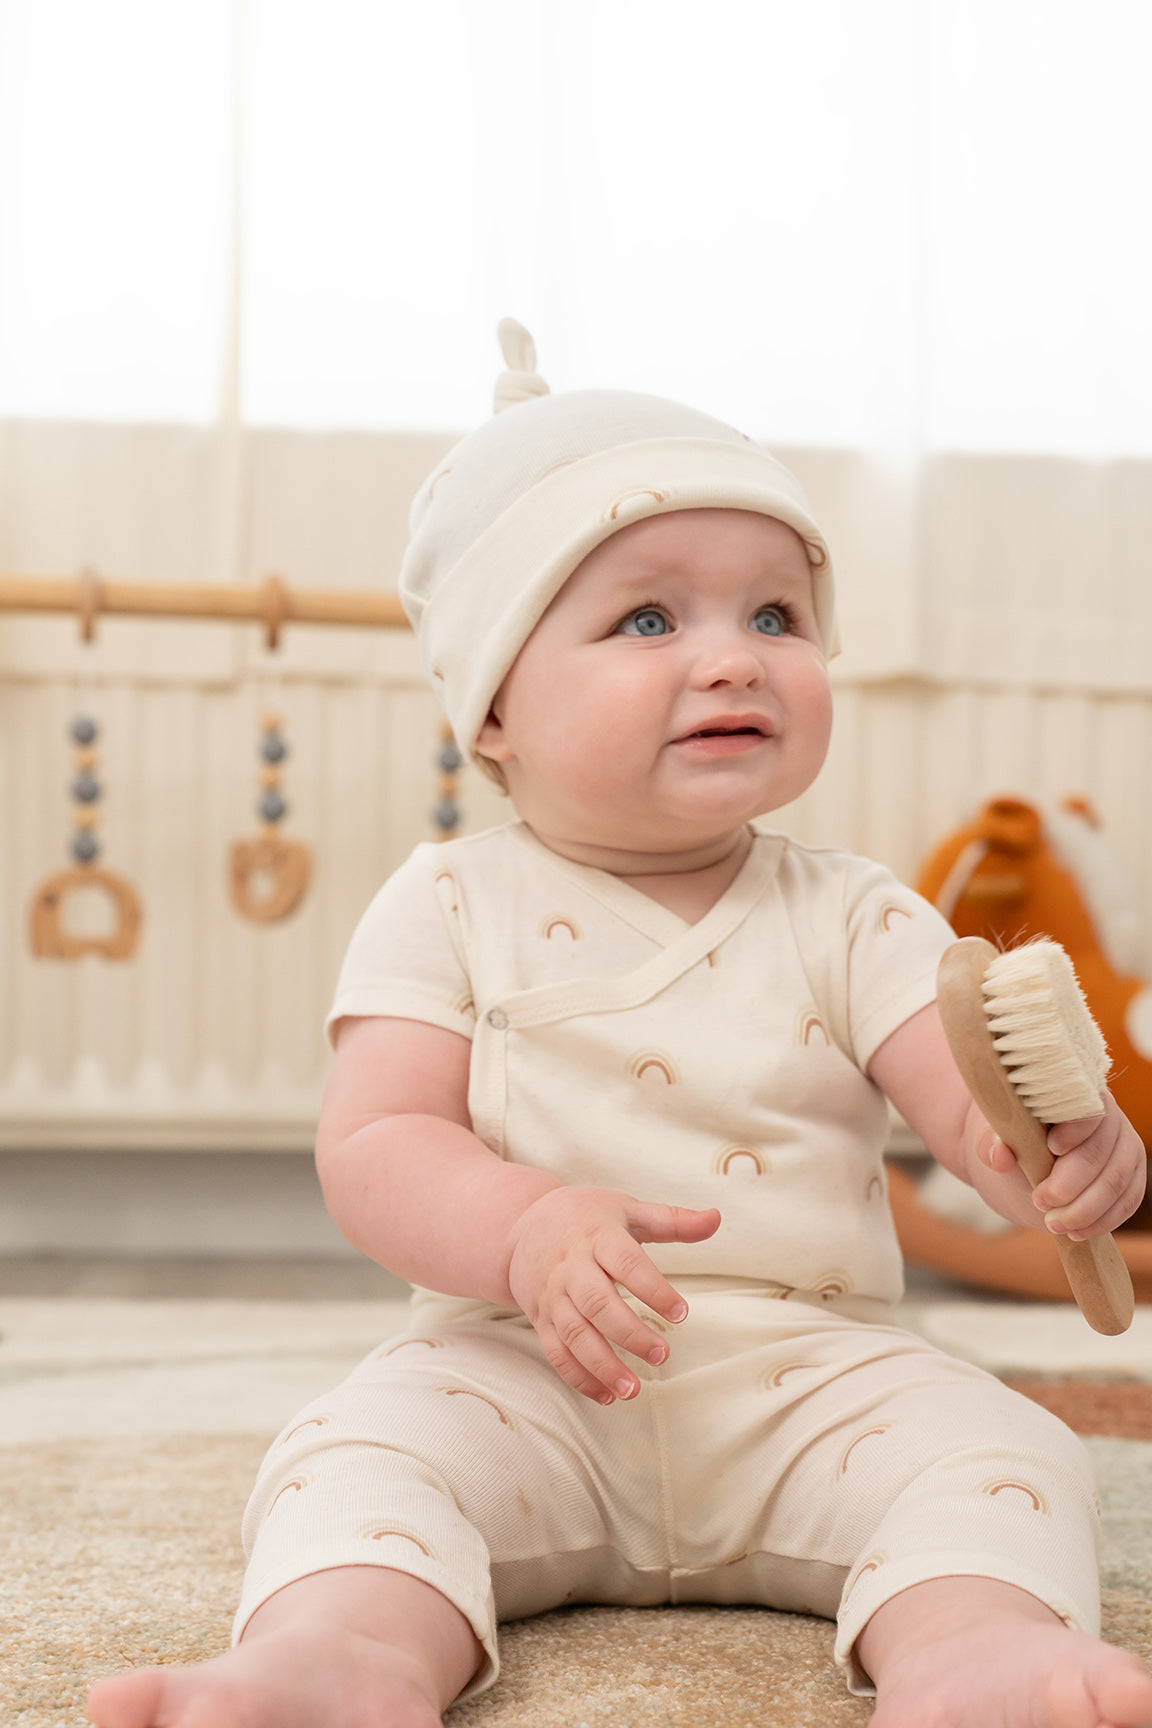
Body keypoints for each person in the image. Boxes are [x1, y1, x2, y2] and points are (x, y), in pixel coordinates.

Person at [88, 322, 1152, 1728]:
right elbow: (376, 1143)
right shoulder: (447, 903)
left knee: (1009, 1453)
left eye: (775, 617)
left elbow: (972, 1106)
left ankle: (971, 1654)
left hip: (812, 1378)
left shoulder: (855, 911)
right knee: (355, 1454)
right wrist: (521, 1227)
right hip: (521, 1377)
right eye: (650, 621)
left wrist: (1059, 1155)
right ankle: (342, 1658)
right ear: (493, 710)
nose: (734, 661)